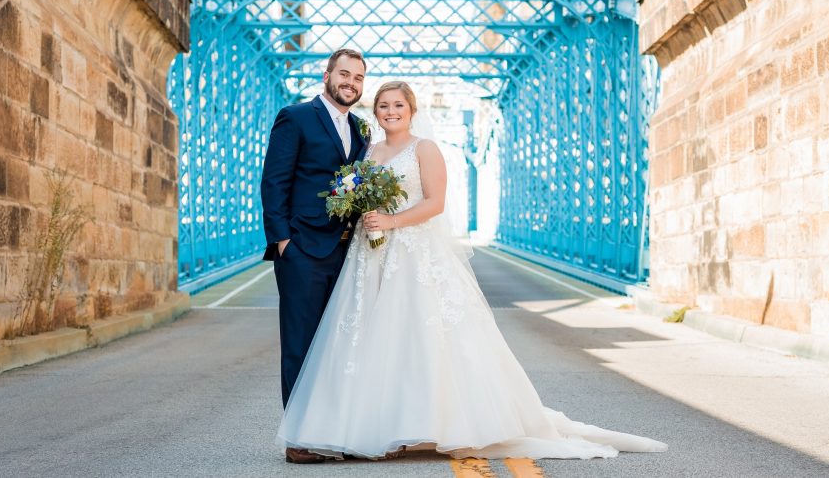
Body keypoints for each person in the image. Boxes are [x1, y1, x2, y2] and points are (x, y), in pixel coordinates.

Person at [275, 80, 667, 461]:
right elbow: (350, 194)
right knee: (371, 335)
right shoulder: (369, 150)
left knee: (412, 336)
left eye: (398, 105)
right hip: (371, 253)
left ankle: (417, 424)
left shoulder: (424, 149)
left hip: (411, 254)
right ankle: (374, 423)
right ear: (375, 112)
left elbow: (436, 203)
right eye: (383, 105)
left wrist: (392, 223)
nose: (391, 111)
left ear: (412, 111)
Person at [259, 48, 370, 464]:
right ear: (327, 75)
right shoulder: (296, 116)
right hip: (303, 249)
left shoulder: (361, 129)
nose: (351, 83)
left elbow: (355, 186)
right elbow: (274, 181)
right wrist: (283, 241)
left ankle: (333, 431)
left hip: (344, 251)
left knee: (337, 346)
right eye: (344, 74)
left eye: (358, 78)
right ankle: (299, 439)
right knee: (301, 345)